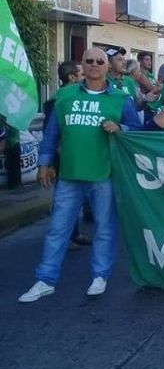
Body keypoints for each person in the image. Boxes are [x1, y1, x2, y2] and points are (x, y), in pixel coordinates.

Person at [18, 48, 142, 303]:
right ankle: (46, 280)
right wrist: (44, 163)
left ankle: (100, 276)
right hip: (70, 175)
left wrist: (121, 127)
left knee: (105, 228)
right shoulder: (64, 96)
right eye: (89, 61)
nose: (95, 65)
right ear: (81, 66)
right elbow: (52, 133)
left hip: (104, 174)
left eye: (100, 61)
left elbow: (137, 131)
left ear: (108, 67)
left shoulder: (120, 98)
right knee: (57, 229)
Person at [42, 61, 92, 250]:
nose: (86, 76)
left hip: (76, 156)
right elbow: (51, 133)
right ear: (72, 77)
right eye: (81, 73)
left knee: (76, 196)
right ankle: (64, 238)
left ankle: (74, 233)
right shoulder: (57, 101)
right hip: (64, 157)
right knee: (65, 198)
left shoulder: (77, 96)